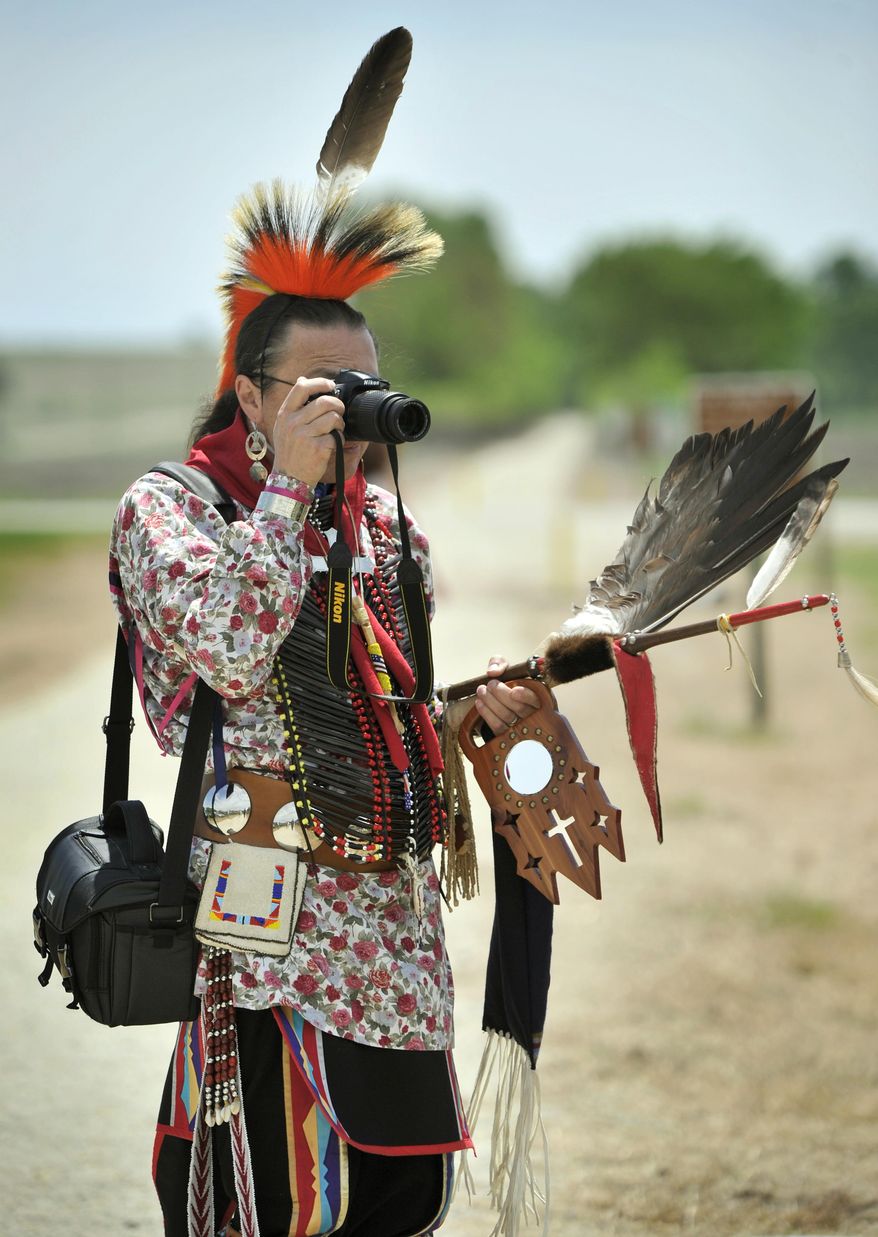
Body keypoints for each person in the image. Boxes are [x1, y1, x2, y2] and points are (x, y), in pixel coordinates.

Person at [110, 282, 539, 1235]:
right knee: (278, 1191)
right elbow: (228, 649)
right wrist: (288, 495)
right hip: (264, 926)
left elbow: (388, 704)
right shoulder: (169, 512)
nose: (350, 409)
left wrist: (471, 708)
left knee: (402, 1191)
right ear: (250, 397)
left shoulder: (390, 532)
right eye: (319, 388)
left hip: (390, 932)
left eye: (364, 385)